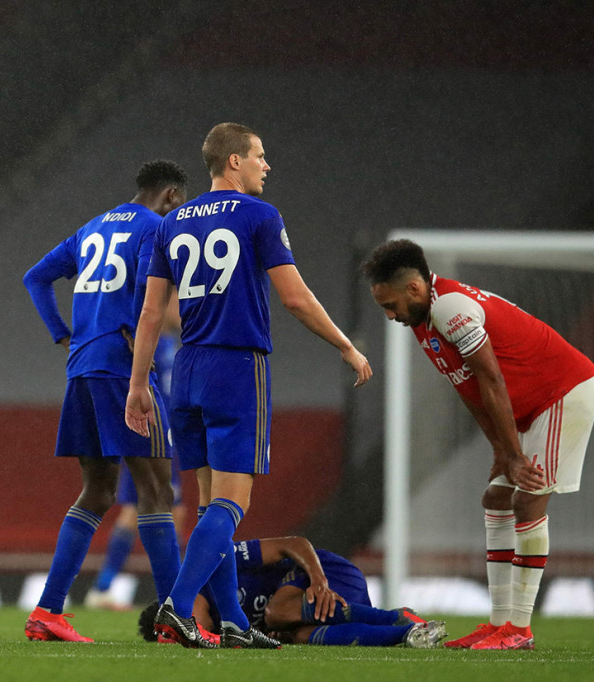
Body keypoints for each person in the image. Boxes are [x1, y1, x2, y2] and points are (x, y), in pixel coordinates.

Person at [126, 122, 372, 649]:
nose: (267, 165)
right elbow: (296, 299)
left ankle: (234, 620)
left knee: (211, 502)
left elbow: (150, 311)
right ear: (233, 161)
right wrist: (347, 345)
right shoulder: (260, 216)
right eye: (259, 155)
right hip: (236, 368)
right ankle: (176, 605)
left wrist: (137, 383)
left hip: (187, 368)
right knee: (232, 504)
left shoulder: (170, 225)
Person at [362, 239, 594, 651]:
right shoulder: (424, 320)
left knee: (528, 500)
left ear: (415, 290)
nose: (389, 315)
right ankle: (497, 624)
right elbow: (468, 388)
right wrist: (499, 448)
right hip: (531, 408)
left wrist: (512, 453)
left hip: (564, 392)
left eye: (391, 304)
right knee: (496, 499)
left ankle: (519, 630)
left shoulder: (449, 308)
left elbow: (491, 378)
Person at [22, 160, 189, 642]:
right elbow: (153, 301)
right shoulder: (158, 228)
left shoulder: (92, 227)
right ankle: (175, 620)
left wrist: (62, 336)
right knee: (158, 491)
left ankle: (48, 611)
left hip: (82, 369)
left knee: (97, 492)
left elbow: (35, 278)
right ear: (173, 196)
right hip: (124, 369)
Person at [138, 535, 446, 647]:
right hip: (325, 610)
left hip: (327, 574)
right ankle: (406, 634)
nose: (189, 636)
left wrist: (318, 580)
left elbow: (294, 543)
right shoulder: (222, 631)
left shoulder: (216, 562)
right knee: (299, 637)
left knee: (277, 612)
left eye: (179, 629)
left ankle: (396, 616)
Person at [85, 326, 188, 611]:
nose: (182, 306)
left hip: (163, 433)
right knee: (150, 509)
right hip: (148, 430)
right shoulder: (146, 338)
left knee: (153, 509)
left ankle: (107, 588)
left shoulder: (170, 341)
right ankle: (173, 594)